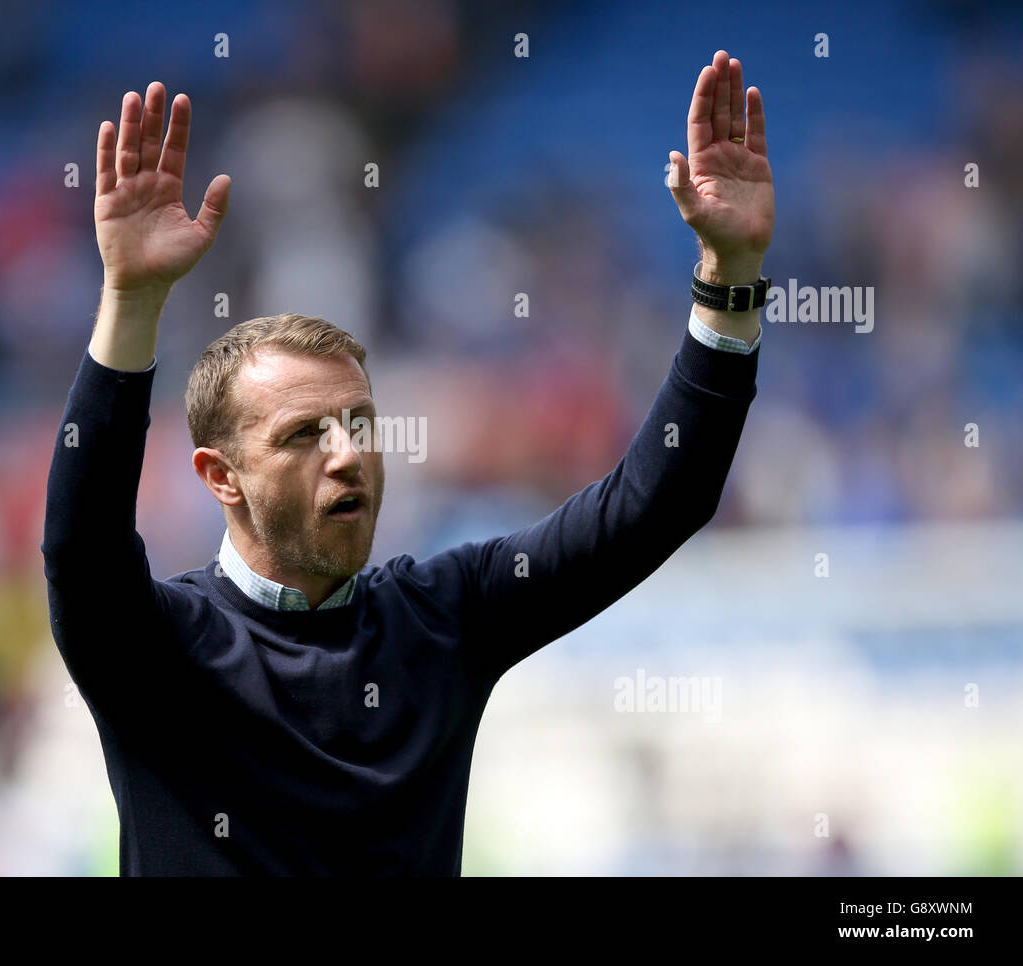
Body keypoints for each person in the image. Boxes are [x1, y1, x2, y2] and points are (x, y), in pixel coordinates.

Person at [42, 49, 774, 875]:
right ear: (220, 476)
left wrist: (731, 277)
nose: (348, 454)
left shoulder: (445, 619)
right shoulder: (157, 649)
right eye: (303, 435)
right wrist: (131, 302)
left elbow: (657, 504)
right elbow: (81, 545)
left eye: (360, 423)